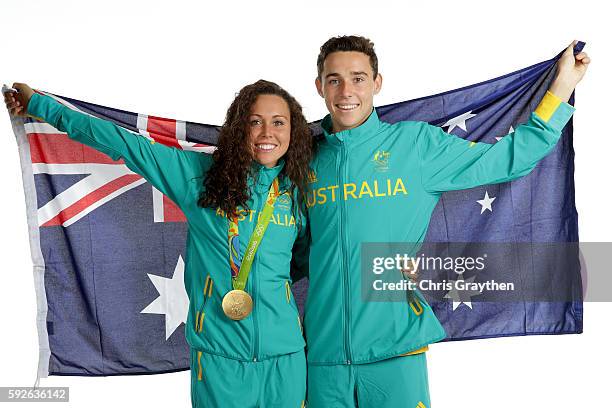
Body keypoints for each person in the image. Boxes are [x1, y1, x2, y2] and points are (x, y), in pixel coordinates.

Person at [303, 36, 590, 407]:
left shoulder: (416, 145)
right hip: (321, 358)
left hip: (396, 351)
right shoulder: (303, 158)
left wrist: (562, 86)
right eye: (334, 79)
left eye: (358, 78)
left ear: (377, 83)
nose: (346, 91)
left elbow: (508, 159)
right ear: (319, 86)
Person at [5, 79, 314, 408]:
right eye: (255, 121)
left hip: (286, 357)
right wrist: (41, 107)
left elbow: (302, 260)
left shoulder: (296, 191)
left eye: (279, 122)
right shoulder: (198, 176)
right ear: (239, 129)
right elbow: (123, 143)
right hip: (219, 357)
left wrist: (269, 290)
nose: (268, 133)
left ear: (292, 131)